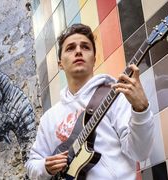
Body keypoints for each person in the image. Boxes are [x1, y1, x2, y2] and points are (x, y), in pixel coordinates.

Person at [25, 23, 154, 179]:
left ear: (94, 59)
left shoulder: (115, 96)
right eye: (70, 48)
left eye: (85, 47)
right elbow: (32, 166)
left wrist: (141, 111)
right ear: (60, 63)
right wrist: (45, 167)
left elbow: (140, 152)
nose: (78, 51)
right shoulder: (48, 118)